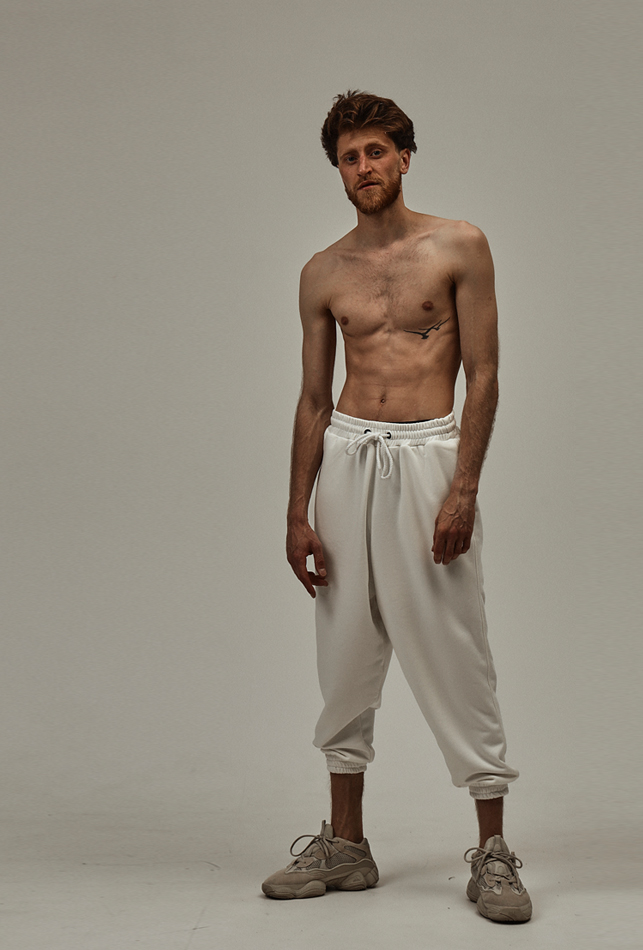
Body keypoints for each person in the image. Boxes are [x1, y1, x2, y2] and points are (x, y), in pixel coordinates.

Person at [260, 91, 532, 924]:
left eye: (376, 151)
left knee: (455, 644)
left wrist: (464, 486)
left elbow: (484, 372)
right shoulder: (322, 272)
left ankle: (493, 850)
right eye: (350, 157)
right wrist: (297, 512)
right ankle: (346, 844)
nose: (364, 167)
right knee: (344, 647)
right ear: (338, 172)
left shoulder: (458, 246)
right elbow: (313, 399)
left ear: (405, 156)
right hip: (347, 456)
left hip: (427, 456)